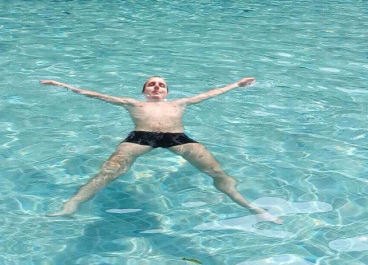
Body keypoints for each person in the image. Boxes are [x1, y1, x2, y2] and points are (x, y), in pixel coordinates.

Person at [41, 76, 281, 222]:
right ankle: (71, 206)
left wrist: (237, 84)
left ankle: (252, 208)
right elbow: (94, 95)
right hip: (140, 137)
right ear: (144, 91)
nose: (156, 87)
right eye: (151, 85)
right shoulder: (132, 103)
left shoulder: (180, 103)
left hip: (177, 138)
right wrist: (63, 85)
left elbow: (210, 94)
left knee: (217, 172)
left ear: (167, 92)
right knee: (109, 171)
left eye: (161, 85)